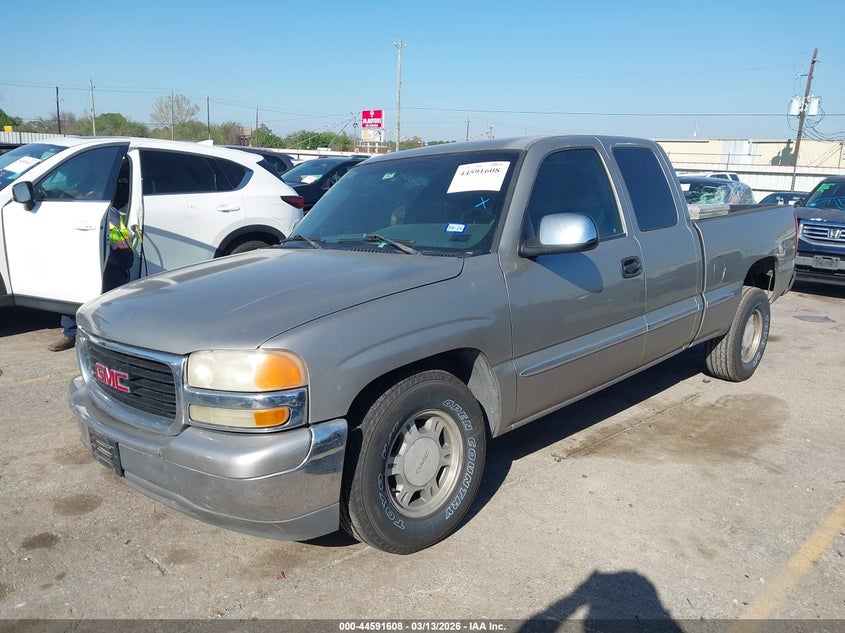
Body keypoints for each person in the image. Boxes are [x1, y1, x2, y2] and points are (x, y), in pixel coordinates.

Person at [47, 205, 134, 351]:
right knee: (70, 291)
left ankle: (111, 338)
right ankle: (70, 333)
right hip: (79, 258)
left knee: (109, 301)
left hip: (110, 261)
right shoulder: (62, 208)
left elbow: (121, 243)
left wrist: (123, 262)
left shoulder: (108, 211)